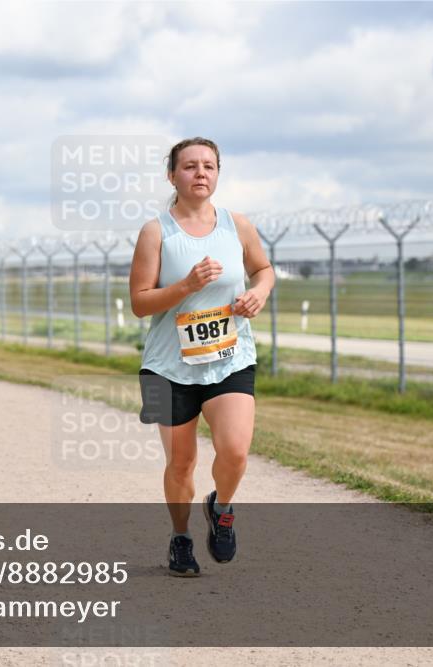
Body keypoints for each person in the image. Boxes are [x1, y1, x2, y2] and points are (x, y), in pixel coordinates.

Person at [128, 137, 274, 577]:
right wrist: (186, 286)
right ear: (172, 175)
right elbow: (140, 303)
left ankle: (221, 509)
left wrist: (259, 293)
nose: (200, 173)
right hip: (166, 367)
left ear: (218, 173)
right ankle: (181, 537)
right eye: (190, 166)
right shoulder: (156, 232)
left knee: (235, 451)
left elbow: (263, 270)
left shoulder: (237, 225)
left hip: (230, 357)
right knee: (181, 463)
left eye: (209, 166)